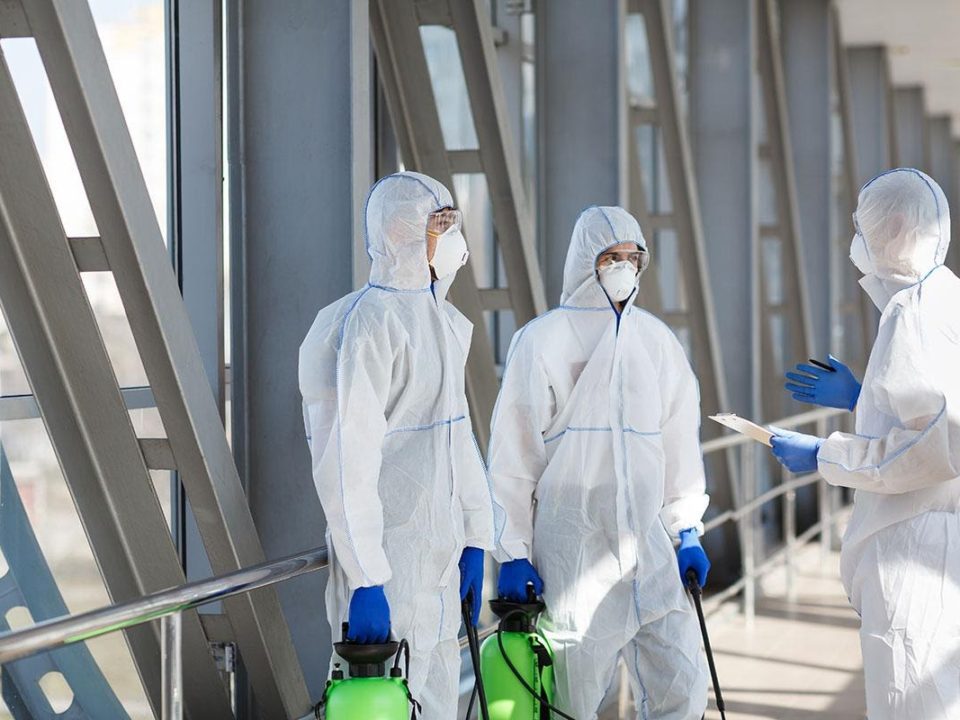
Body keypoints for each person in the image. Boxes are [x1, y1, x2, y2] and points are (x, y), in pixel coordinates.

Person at [488, 205, 710, 719]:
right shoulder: (543, 339)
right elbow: (513, 456)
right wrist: (513, 548)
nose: (625, 268)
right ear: (586, 262)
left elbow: (679, 442)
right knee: (571, 700)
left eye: (635, 258)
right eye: (612, 257)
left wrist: (688, 529)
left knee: (683, 685)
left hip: (650, 548)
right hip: (574, 550)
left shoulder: (656, 342)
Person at [299, 171, 494, 717]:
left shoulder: (440, 322)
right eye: (440, 224)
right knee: (378, 707)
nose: (454, 237)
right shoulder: (372, 324)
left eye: (453, 222)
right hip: (389, 568)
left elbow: (460, 444)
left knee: (435, 705)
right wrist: (366, 578)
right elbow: (348, 462)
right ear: (401, 233)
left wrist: (477, 537)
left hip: (438, 561)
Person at [773, 168, 960, 719]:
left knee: (908, 702)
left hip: (912, 549)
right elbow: (928, 418)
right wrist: (864, 399)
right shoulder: (946, 298)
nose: (858, 239)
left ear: (896, 226)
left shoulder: (912, 314)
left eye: (863, 225)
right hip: (935, 541)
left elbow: (937, 445)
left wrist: (823, 454)